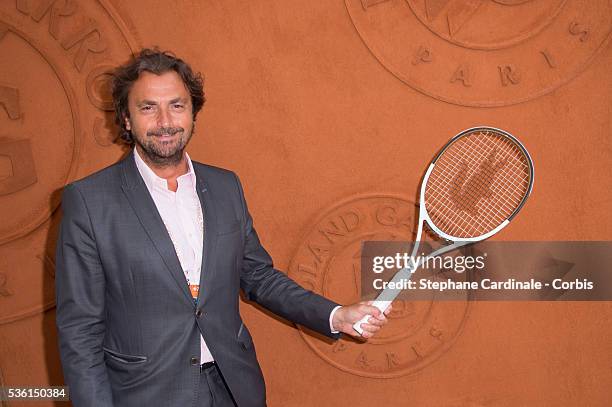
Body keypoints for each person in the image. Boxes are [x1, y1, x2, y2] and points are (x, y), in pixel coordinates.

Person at [55, 49, 390, 407]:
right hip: (146, 394)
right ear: (125, 117)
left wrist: (336, 315)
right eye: (148, 107)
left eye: (177, 105)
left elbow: (259, 277)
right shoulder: (89, 201)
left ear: (193, 112)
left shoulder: (225, 186)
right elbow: (80, 331)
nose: (165, 121)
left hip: (233, 387)